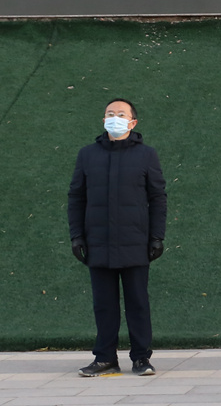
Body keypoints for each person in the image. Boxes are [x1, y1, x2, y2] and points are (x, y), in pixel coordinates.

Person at [68, 98, 167, 377]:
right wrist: (77, 236)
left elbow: (158, 198)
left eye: (121, 114)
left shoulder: (146, 155)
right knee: (104, 304)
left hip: (135, 241)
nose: (115, 118)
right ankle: (105, 358)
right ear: (103, 120)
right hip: (98, 242)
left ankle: (141, 358)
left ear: (132, 122)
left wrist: (156, 237)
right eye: (110, 114)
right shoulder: (88, 155)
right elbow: (76, 197)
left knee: (138, 303)